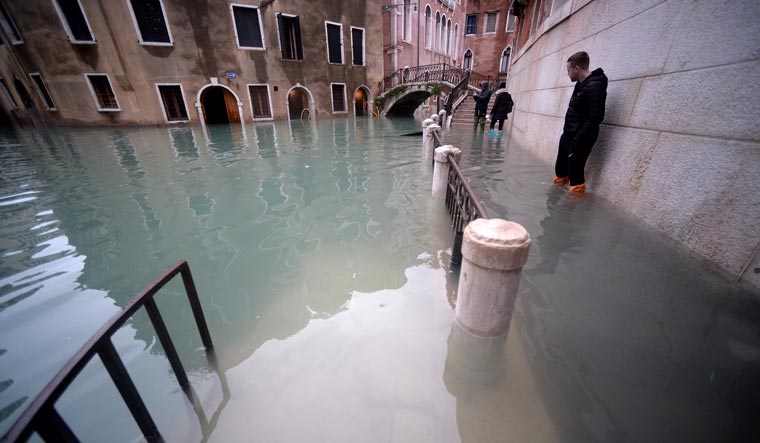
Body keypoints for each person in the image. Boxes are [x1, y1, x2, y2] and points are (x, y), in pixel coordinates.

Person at [553, 51, 607, 194]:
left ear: (576, 69)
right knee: (561, 168)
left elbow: (596, 117)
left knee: (575, 174)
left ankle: (573, 205)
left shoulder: (595, 86)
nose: (568, 74)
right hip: (569, 135)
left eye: (568, 70)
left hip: (580, 138)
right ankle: (556, 198)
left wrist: (578, 139)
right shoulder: (581, 84)